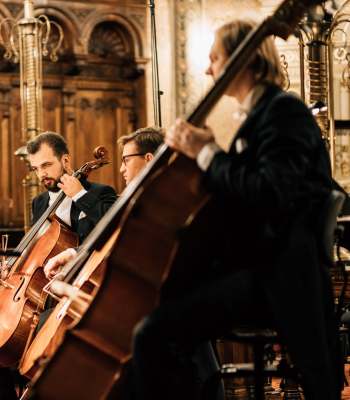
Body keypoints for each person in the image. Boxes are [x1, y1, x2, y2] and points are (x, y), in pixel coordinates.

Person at [132, 19, 337, 400]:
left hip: (278, 274)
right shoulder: (260, 116)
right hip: (258, 267)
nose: (208, 70)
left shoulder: (284, 111)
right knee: (154, 316)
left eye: (215, 58)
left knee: (154, 332)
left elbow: (270, 195)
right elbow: (240, 192)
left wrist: (206, 152)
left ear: (245, 59)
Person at [0, 132, 118, 287]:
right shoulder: (39, 202)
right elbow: (32, 245)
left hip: (88, 280)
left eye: (46, 165)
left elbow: (115, 230)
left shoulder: (99, 192)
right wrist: (7, 265)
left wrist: (79, 195)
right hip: (48, 283)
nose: (41, 174)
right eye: (36, 168)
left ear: (65, 161)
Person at [43, 127, 165, 280]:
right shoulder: (137, 197)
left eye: (126, 160)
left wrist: (80, 195)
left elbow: (121, 237)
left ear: (148, 159)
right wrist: (73, 253)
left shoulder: (162, 199)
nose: (121, 169)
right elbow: (115, 239)